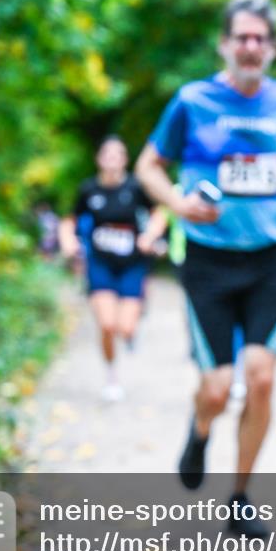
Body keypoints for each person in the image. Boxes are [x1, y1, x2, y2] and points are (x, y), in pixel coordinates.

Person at [135, 0, 276, 538]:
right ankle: (199, 432)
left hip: (271, 259)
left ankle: (239, 497)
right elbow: (150, 166)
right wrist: (175, 203)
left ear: (273, 48)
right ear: (224, 43)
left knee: (262, 378)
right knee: (218, 386)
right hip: (208, 262)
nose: (250, 46)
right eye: (241, 37)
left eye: (260, 39)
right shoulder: (192, 101)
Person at [60, 135, 168, 402]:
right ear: (99, 159)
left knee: (125, 328)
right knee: (107, 324)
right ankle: (111, 375)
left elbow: (159, 214)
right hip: (101, 264)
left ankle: (133, 326)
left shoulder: (135, 188)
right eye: (106, 155)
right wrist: (68, 242)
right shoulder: (89, 190)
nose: (111, 161)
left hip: (132, 265)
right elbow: (68, 221)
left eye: (117, 155)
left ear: (124, 160)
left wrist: (150, 236)